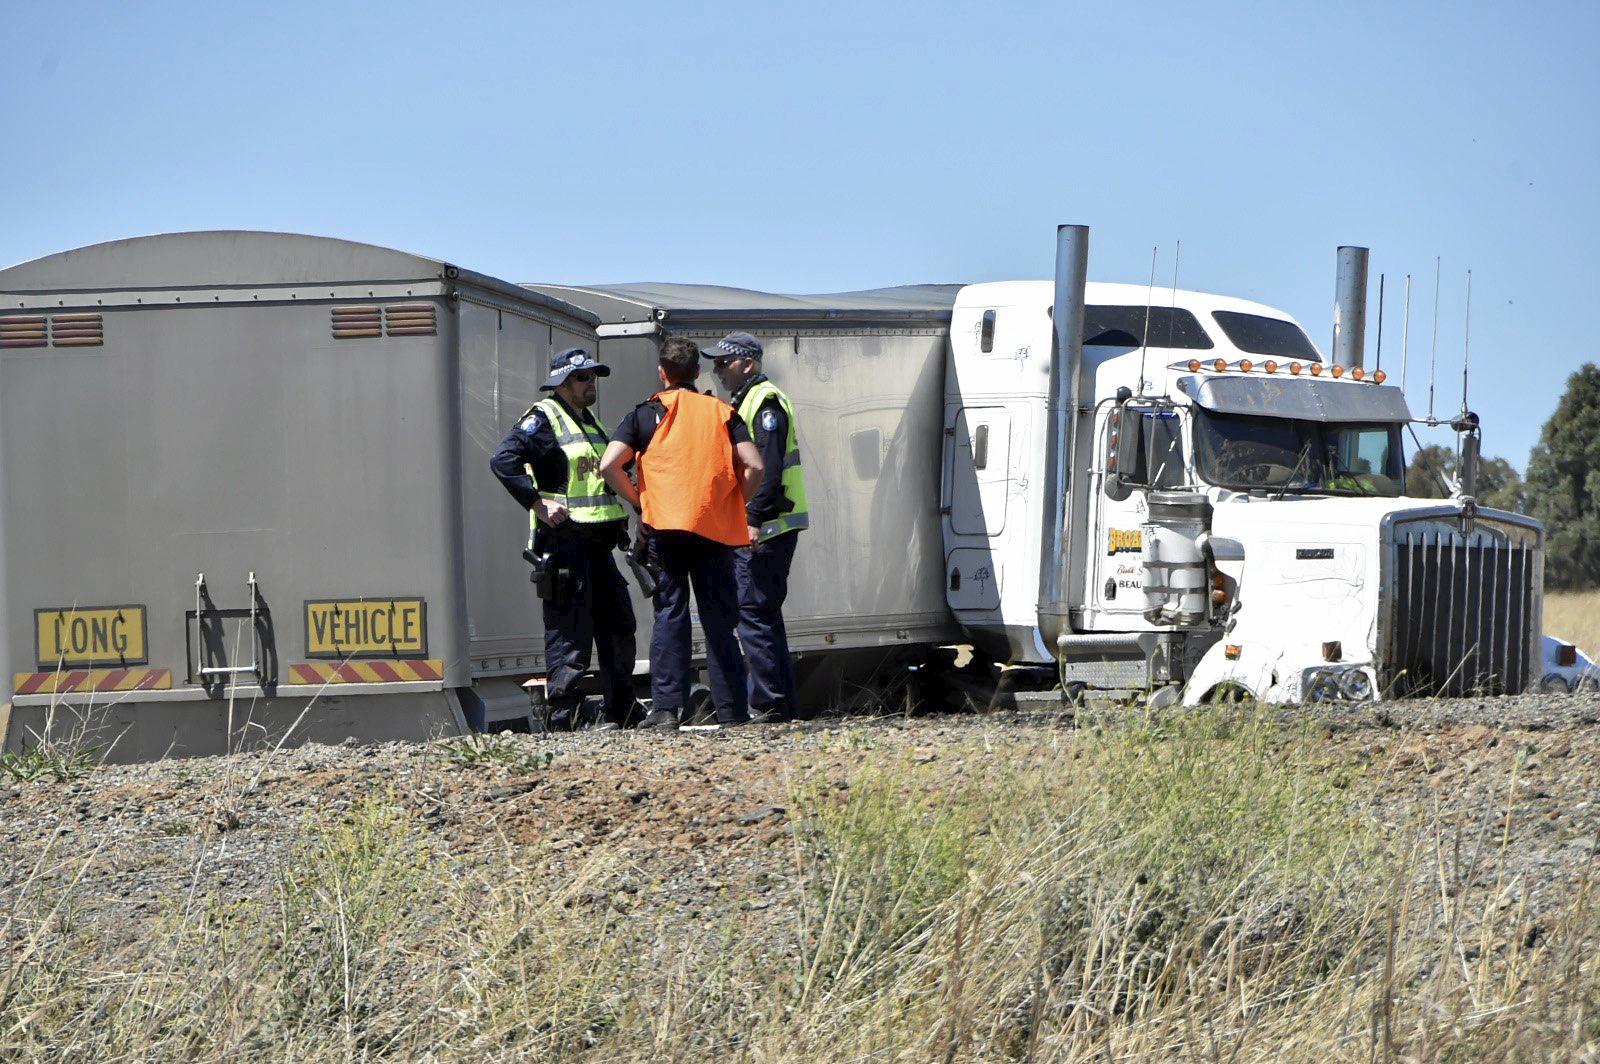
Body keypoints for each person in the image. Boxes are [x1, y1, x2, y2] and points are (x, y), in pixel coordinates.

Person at [599, 337, 764, 730]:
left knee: (670, 614)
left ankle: (665, 711)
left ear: (663, 373)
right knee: (718, 618)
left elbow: (609, 465)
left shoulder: (645, 413)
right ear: (696, 373)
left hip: (665, 529)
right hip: (714, 530)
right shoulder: (723, 412)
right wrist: (734, 503)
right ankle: (733, 712)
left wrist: (640, 502)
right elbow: (754, 466)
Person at [490, 347, 637, 731]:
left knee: (619, 626)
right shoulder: (543, 418)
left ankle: (621, 710)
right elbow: (503, 460)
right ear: (562, 382)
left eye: (594, 376)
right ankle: (564, 717)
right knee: (571, 634)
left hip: (600, 544)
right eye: (583, 377)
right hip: (565, 544)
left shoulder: (592, 423)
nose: (592, 383)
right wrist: (538, 504)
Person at [711, 331, 809, 723]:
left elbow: (767, 470)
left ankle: (767, 704)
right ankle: (781, 705)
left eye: (723, 363)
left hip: (769, 525)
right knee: (765, 614)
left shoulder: (764, 402)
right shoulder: (749, 400)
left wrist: (752, 521)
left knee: (752, 611)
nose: (716, 370)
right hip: (772, 523)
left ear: (747, 363)